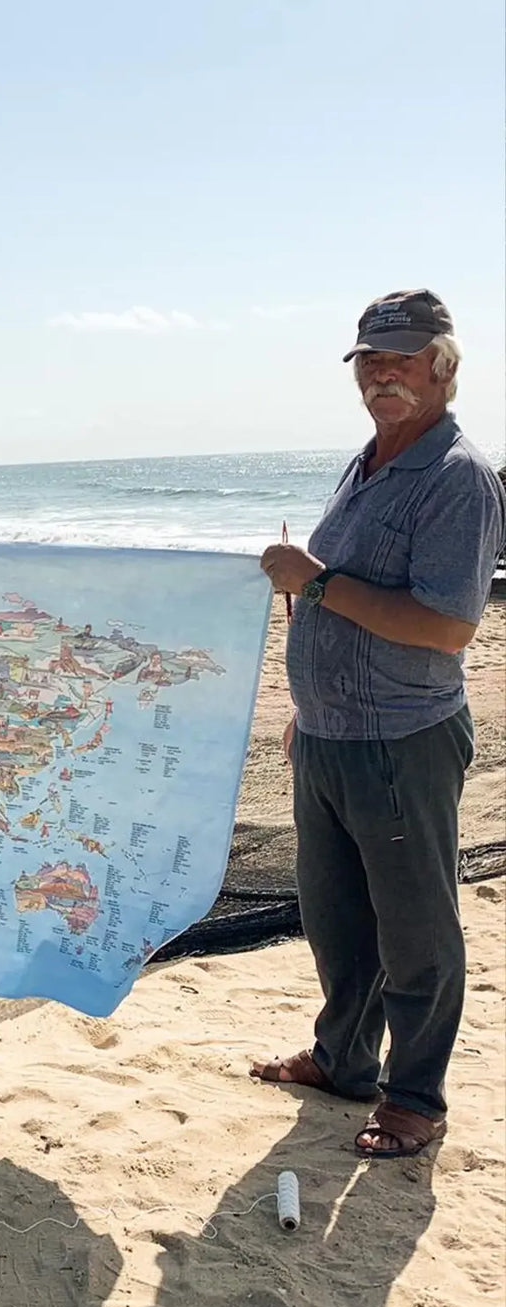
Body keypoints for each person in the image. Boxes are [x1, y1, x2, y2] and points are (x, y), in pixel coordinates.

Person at [252, 290, 505, 1158]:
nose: (383, 373)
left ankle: (414, 1100)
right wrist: (306, 713)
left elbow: (445, 627)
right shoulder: (366, 463)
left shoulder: (457, 478)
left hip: (402, 738)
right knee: (335, 920)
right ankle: (345, 1062)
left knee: (417, 930)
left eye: (401, 357)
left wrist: (315, 580)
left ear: (443, 366)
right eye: (369, 358)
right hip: (327, 736)